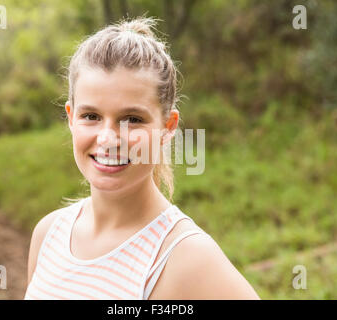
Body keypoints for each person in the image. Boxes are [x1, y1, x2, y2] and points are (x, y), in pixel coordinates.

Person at [24, 17, 260, 300]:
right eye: (91, 116)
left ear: (168, 126)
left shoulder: (184, 257)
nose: (108, 139)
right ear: (71, 117)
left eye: (132, 119)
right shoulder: (48, 234)